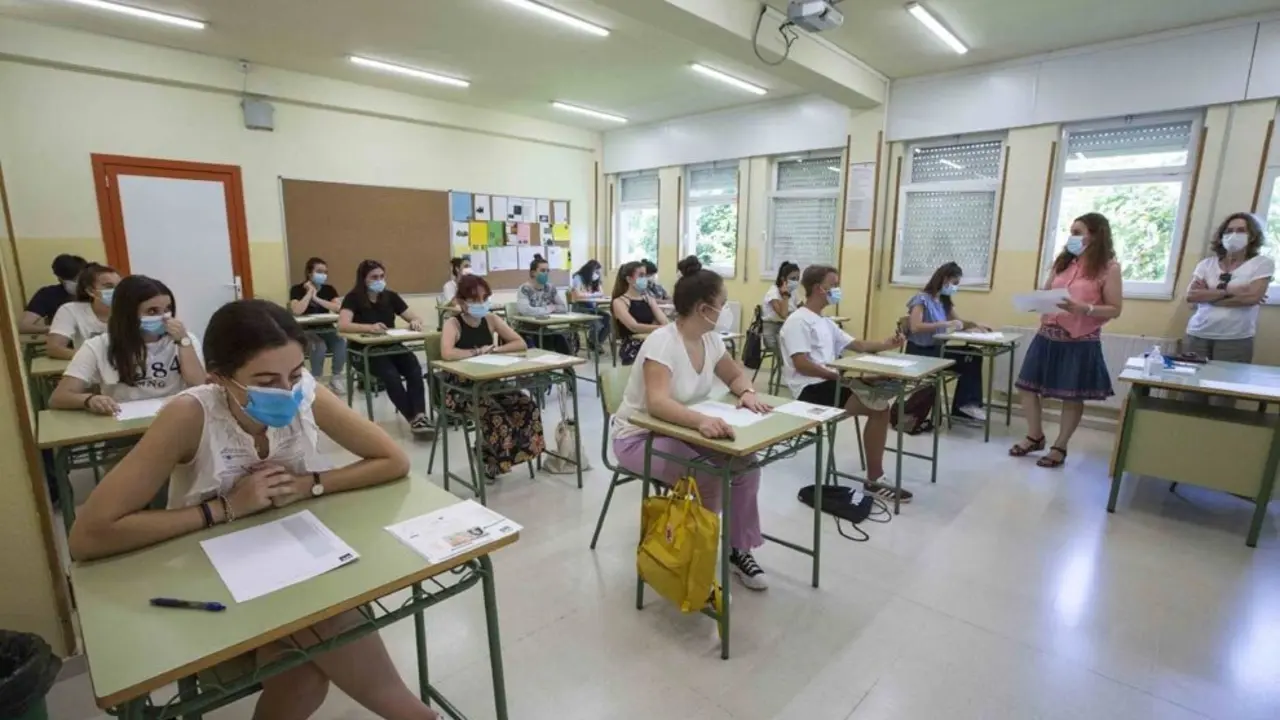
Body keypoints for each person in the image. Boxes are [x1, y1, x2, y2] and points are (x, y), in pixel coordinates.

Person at [67, 299, 440, 720]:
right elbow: (89, 536)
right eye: (265, 380)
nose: (286, 390)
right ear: (220, 378)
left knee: (304, 673)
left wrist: (309, 485)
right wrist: (226, 508)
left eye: (295, 374)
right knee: (318, 639)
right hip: (207, 585)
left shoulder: (304, 395)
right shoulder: (190, 414)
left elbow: (393, 460)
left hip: (289, 567)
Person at [612, 256, 772, 590]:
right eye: (722, 304)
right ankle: (695, 558)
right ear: (702, 308)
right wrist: (701, 420)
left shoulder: (711, 339)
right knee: (709, 478)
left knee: (746, 466)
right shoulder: (663, 341)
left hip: (681, 429)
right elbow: (657, 403)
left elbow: (732, 374)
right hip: (639, 436)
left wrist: (747, 392)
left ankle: (737, 549)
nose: (725, 309)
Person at [781, 265, 906, 502]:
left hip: (830, 382)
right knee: (880, 408)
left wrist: (887, 344)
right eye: (834, 284)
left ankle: (875, 476)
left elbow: (858, 345)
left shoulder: (825, 322)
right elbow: (802, 364)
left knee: (881, 392)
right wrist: (842, 378)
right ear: (820, 288)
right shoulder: (797, 321)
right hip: (810, 390)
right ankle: (875, 479)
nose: (838, 289)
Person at [1010, 212, 1123, 468]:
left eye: (1077, 232)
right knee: (1026, 386)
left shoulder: (1109, 268)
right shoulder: (1063, 263)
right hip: (1048, 333)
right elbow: (1048, 290)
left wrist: (1087, 309)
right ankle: (1035, 435)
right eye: (1071, 232)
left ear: (1095, 235)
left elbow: (1115, 308)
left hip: (1080, 339)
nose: (1071, 237)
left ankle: (1060, 446)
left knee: (1072, 395)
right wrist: (1036, 301)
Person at [440, 274, 545, 479]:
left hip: (488, 383)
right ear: (461, 302)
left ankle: (502, 456)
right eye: (474, 300)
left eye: (484, 298)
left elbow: (519, 343)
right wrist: (478, 352)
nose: (481, 303)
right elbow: (447, 353)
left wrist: (496, 350)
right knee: (496, 416)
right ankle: (489, 460)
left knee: (526, 406)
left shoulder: (491, 319)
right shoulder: (453, 324)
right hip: (460, 390)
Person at [50, 275, 205, 414]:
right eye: (152, 311)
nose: (163, 317)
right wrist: (89, 400)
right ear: (128, 313)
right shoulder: (98, 345)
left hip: (176, 416)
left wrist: (183, 342)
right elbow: (59, 397)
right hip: (125, 420)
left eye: (167, 309)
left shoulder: (185, 340)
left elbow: (199, 384)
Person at [338, 260, 432, 435]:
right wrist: (369, 327)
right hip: (364, 350)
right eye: (374, 277)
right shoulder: (353, 298)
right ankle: (414, 419)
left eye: (381, 276)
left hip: (391, 345)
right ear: (363, 279)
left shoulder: (390, 296)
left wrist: (415, 322)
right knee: (391, 376)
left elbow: (413, 317)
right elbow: (343, 325)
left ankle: (420, 415)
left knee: (414, 369)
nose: (379, 280)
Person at [1183, 212, 1272, 366]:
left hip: (1235, 338)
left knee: (1225, 387)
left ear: (1252, 236)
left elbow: (1252, 298)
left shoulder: (1262, 264)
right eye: (1229, 231)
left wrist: (1209, 296)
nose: (1234, 235)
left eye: (1241, 230)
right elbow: (1191, 295)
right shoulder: (1206, 264)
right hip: (1197, 334)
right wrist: (1232, 292)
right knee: (1190, 386)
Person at [904, 262, 990, 421]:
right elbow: (915, 326)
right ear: (944, 279)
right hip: (921, 352)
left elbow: (958, 322)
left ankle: (965, 406)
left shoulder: (944, 301)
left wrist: (975, 326)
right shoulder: (921, 299)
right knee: (967, 359)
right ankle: (964, 406)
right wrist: (944, 324)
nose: (955, 287)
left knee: (973, 354)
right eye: (954, 283)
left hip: (937, 350)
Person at [289, 257, 347, 395]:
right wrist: (309, 293)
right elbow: (297, 310)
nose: (323, 275)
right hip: (306, 331)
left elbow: (338, 308)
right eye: (319, 271)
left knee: (341, 342)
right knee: (319, 346)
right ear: (309, 273)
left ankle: (336, 377)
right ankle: (316, 381)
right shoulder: (296, 289)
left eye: (325, 272)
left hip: (327, 328)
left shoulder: (329, 289)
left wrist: (317, 299)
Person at [47, 263, 119, 360]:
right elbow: (54, 348)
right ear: (90, 291)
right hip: (89, 368)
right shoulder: (70, 310)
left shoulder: (133, 310)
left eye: (119, 286)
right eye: (109, 286)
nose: (117, 290)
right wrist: (95, 359)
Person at [611, 260, 668, 365]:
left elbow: (664, 321)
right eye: (641, 275)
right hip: (633, 347)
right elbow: (634, 327)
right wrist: (659, 328)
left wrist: (661, 327)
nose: (645, 279)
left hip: (652, 343)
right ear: (629, 279)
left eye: (645, 275)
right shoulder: (620, 302)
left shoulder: (648, 299)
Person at [517, 254, 574, 355]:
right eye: (543, 271)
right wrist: (548, 308)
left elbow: (563, 307)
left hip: (545, 327)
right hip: (528, 329)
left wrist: (552, 308)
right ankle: (543, 368)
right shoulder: (525, 289)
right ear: (533, 273)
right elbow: (526, 310)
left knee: (561, 338)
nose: (546, 273)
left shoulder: (550, 288)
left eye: (548, 271)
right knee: (544, 341)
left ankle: (568, 368)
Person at [20, 253, 87, 334]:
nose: (75, 283)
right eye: (70, 280)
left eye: (77, 279)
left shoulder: (95, 291)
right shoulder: (48, 294)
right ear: (59, 278)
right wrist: (53, 329)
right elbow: (23, 326)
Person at [761, 261, 801, 346]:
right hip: (773, 331)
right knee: (790, 349)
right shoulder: (773, 292)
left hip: (787, 328)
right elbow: (783, 314)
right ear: (783, 279)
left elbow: (802, 308)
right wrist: (785, 295)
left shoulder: (794, 292)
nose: (796, 281)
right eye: (793, 279)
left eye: (798, 278)